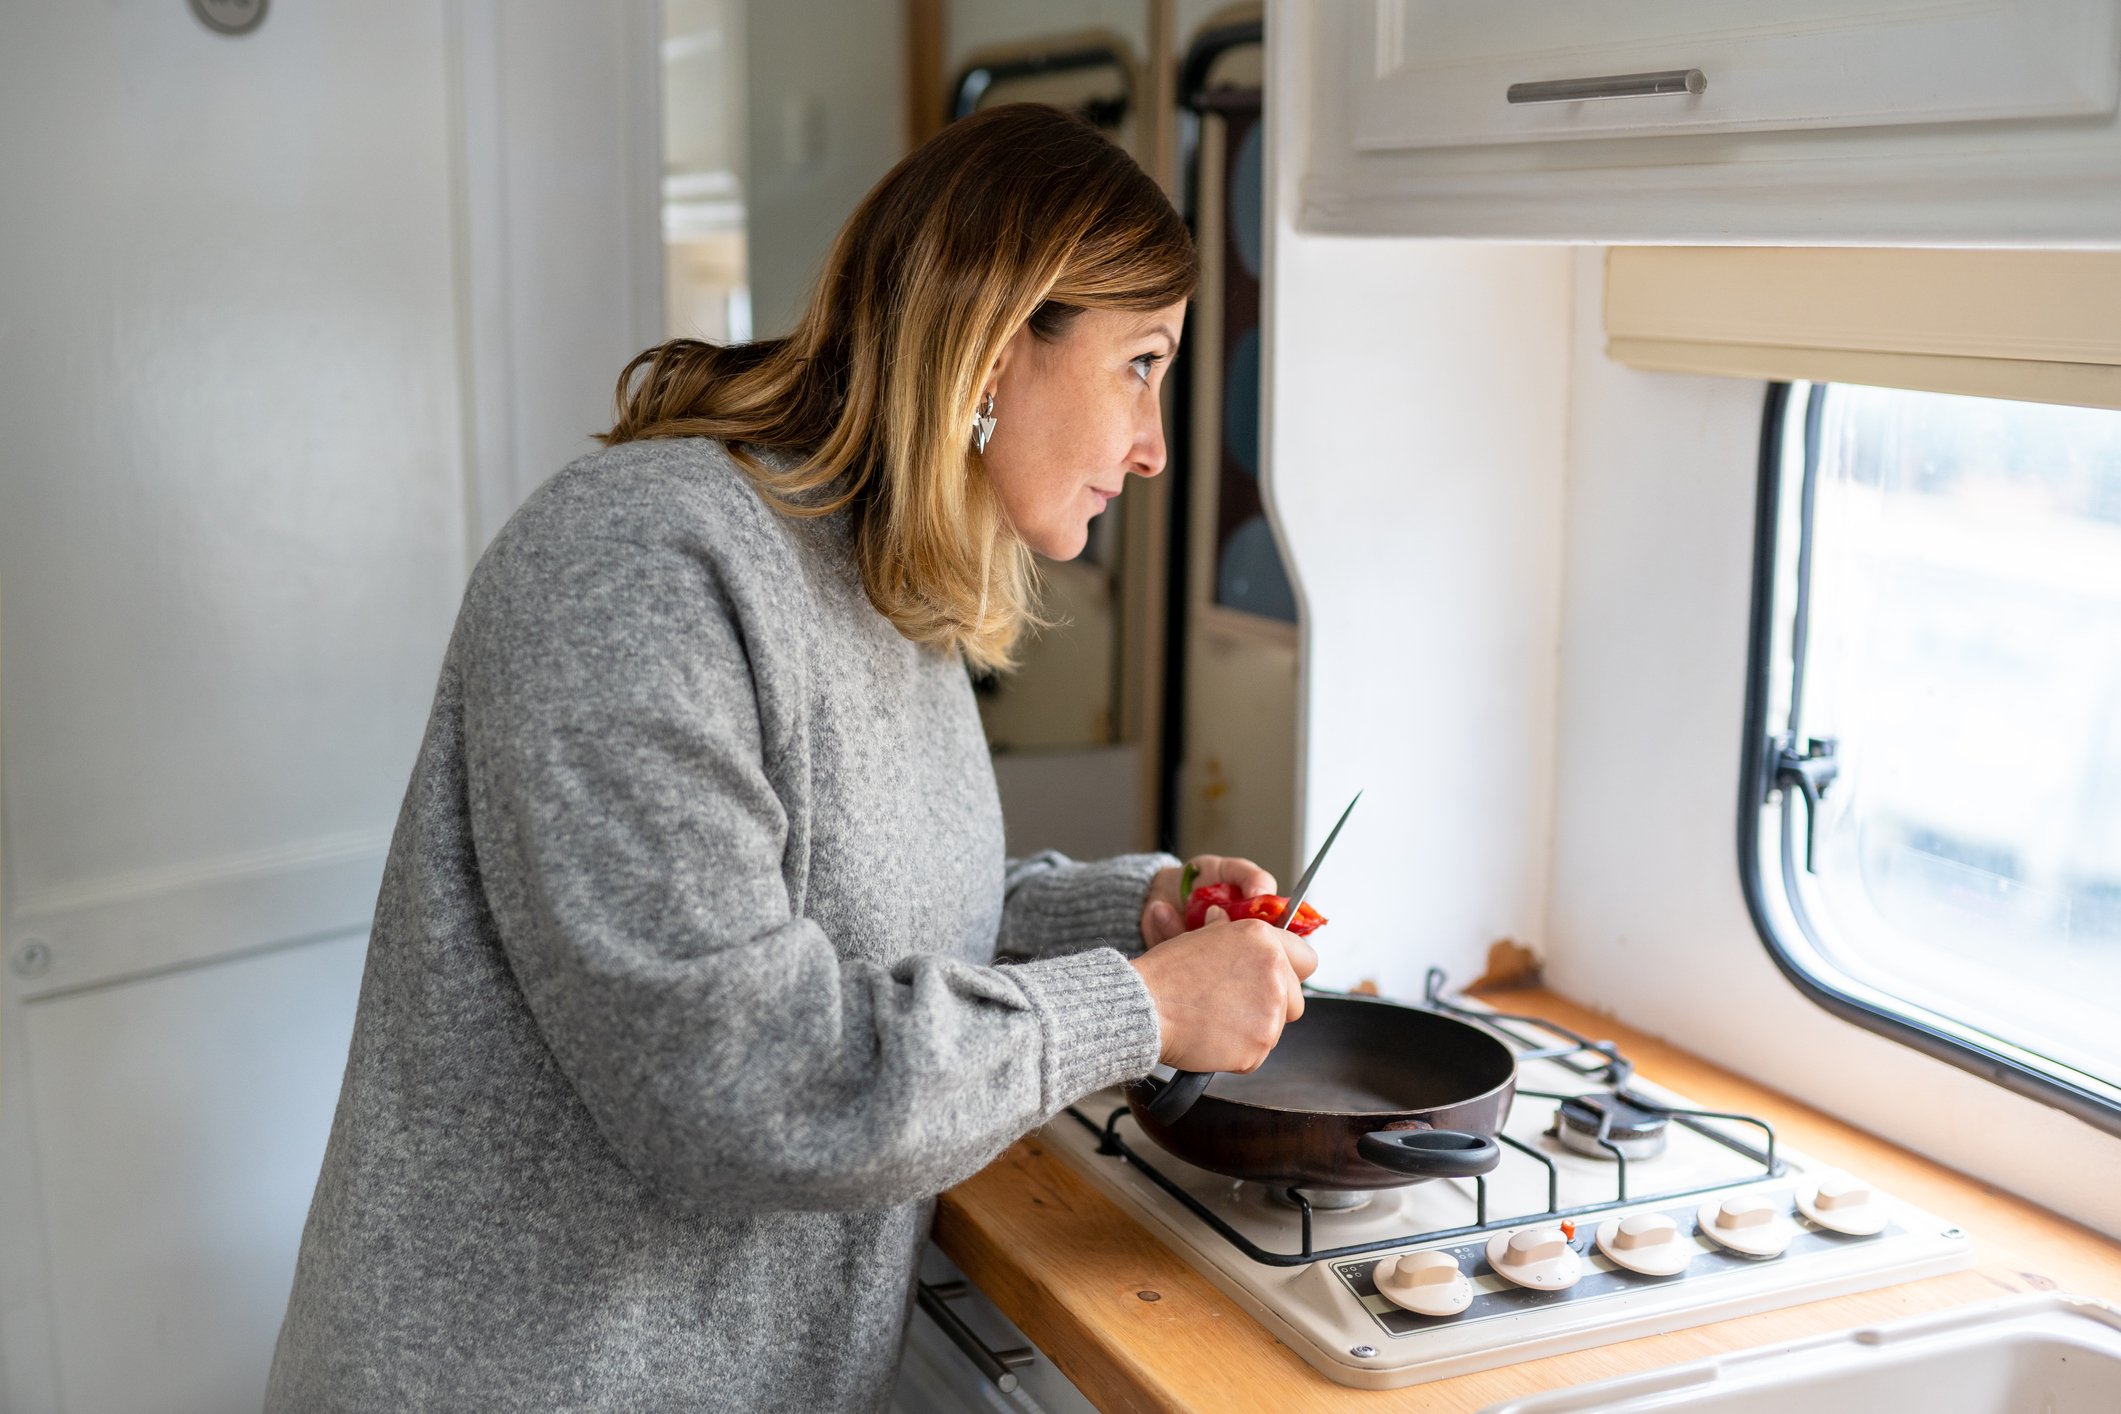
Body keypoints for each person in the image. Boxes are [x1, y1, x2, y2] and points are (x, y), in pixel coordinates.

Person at [264, 102, 1317, 1412]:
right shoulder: (643, 565)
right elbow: (744, 1079)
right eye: (1141, 364)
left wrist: (1137, 914)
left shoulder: (888, 586)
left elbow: (878, 922)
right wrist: (1144, 1007)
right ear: (996, 348)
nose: (1156, 444)